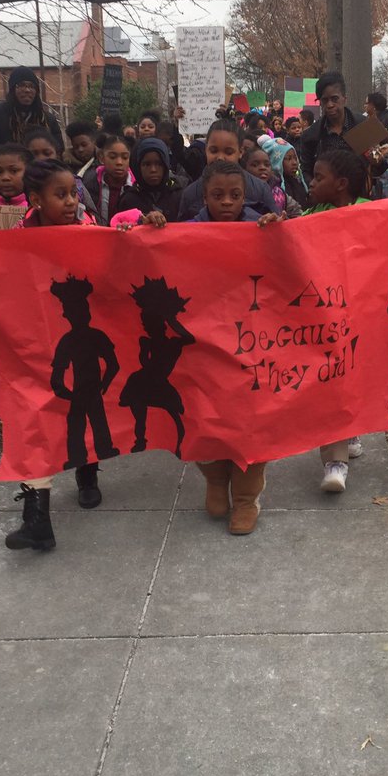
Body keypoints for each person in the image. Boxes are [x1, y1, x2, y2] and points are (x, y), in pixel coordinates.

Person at [0, 159, 118, 549]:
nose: (72, 202)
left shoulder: (90, 232)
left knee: (82, 412)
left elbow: (115, 271)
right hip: (30, 349)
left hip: (77, 348)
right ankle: (36, 516)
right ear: (37, 200)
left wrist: (129, 232)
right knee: (29, 422)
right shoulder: (14, 239)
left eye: (74, 193)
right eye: (61, 195)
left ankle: (87, 474)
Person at [143, 159, 279, 534]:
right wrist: (150, 229)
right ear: (204, 196)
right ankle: (216, 480)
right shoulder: (185, 233)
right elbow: (153, 259)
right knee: (202, 416)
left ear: (245, 196)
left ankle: (247, 498)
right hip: (201, 343)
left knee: (250, 422)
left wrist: (276, 232)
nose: (227, 202)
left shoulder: (260, 228)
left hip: (250, 341)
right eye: (218, 195)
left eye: (235, 195)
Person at [298, 146, 371, 493]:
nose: (311, 183)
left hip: (363, 314)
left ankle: (351, 429)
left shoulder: (372, 213)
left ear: (341, 183)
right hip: (327, 317)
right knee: (332, 381)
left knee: (354, 377)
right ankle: (335, 461)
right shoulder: (313, 215)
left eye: (318, 177)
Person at [0, 67, 62, 195]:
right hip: (4, 186)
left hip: (40, 185)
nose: (27, 90)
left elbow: (58, 152)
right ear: (13, 88)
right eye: (21, 85)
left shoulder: (47, 119)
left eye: (32, 86)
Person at [177, 119, 275, 220]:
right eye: (214, 151)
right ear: (206, 150)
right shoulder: (190, 193)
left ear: (240, 152)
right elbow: (182, 228)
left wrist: (273, 221)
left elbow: (276, 224)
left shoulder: (260, 189)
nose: (220, 157)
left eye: (228, 152)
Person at [299, 71, 362, 182]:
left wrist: (377, 161)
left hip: (360, 191)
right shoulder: (311, 136)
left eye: (334, 99)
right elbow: (305, 171)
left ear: (344, 98)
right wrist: (317, 187)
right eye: (325, 100)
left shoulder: (363, 126)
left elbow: (380, 167)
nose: (330, 105)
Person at [112, 137, 183, 223]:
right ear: (138, 167)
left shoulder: (179, 196)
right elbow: (117, 225)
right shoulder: (128, 199)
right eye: (146, 164)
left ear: (166, 165)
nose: (153, 169)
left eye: (159, 164)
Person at [82, 132, 135, 224]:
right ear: (101, 158)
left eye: (125, 157)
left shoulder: (136, 187)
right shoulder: (90, 184)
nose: (119, 162)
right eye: (113, 157)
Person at [243, 140, 303, 217]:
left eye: (267, 165)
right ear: (244, 168)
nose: (262, 168)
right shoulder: (243, 191)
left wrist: (284, 220)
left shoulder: (278, 191)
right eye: (255, 165)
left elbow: (297, 212)